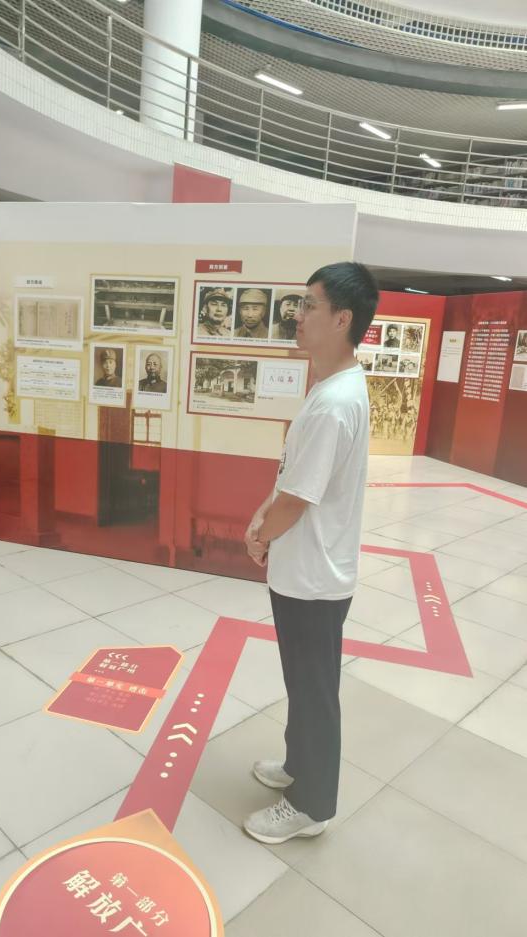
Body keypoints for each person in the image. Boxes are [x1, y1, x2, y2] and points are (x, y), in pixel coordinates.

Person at [242, 261, 378, 844]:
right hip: (308, 568)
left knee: (315, 691)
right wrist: (264, 515)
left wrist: (260, 535)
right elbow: (293, 478)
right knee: (303, 683)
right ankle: (300, 766)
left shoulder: (333, 403)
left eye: (309, 305)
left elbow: (298, 500)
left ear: (343, 319)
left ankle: (312, 805)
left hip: (314, 574)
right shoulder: (333, 387)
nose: (296, 316)